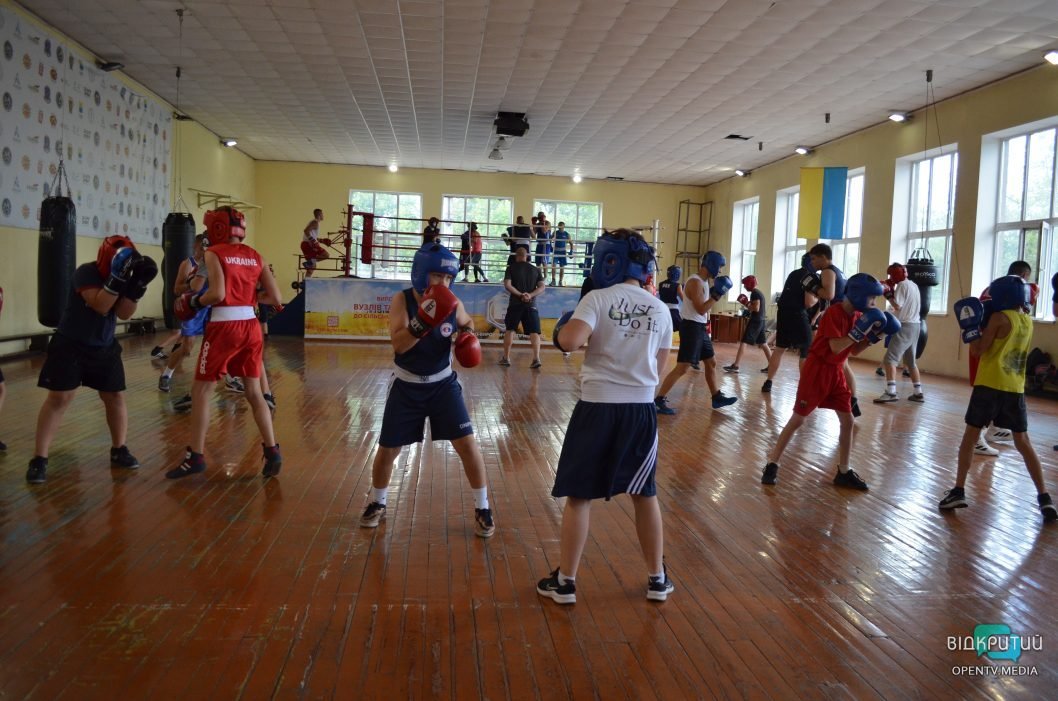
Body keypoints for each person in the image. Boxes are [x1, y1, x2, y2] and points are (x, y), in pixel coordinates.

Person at [537, 229, 674, 604]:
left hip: (597, 408)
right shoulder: (660, 308)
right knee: (644, 493)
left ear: (608, 261)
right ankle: (656, 579)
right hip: (640, 411)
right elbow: (660, 369)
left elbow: (569, 342)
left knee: (580, 496)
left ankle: (566, 582)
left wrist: (568, 323)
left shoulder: (597, 299)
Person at [358, 242, 495, 537]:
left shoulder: (453, 303)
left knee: (468, 446)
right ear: (422, 274)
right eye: (438, 277)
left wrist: (467, 335)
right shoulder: (402, 300)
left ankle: (483, 507)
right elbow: (400, 344)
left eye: (448, 278)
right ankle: (377, 502)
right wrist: (424, 321)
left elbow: (467, 321)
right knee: (388, 449)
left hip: (443, 385)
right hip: (406, 385)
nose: (444, 283)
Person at [26, 235, 158, 483]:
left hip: (104, 346)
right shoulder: (85, 272)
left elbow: (124, 313)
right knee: (59, 398)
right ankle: (39, 459)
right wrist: (118, 278)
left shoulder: (125, 276)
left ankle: (119, 450)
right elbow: (100, 305)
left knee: (115, 396)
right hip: (70, 344)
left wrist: (138, 284)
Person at [166, 206, 283, 479]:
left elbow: (216, 294)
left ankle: (195, 455)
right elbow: (276, 299)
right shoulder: (256, 256)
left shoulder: (214, 253)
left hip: (224, 326)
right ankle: (272, 450)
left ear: (218, 229)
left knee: (201, 391)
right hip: (251, 327)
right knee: (254, 392)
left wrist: (193, 301)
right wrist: (250, 300)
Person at [760, 274, 897, 490]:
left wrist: (876, 336)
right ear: (859, 295)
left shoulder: (858, 316)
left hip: (836, 373)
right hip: (817, 371)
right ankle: (772, 463)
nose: (874, 304)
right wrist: (860, 331)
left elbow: (853, 350)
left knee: (848, 421)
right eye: (872, 298)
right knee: (798, 420)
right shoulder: (834, 313)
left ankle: (843, 471)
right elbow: (835, 346)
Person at [941, 275, 1056, 523]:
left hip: (989, 385)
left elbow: (978, 350)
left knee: (970, 438)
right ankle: (1044, 497)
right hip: (1014, 388)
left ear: (1002, 296)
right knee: (1023, 442)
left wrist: (971, 329)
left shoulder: (997, 318)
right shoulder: (1027, 320)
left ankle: (958, 490)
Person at [653, 251, 737, 414]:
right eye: (719, 266)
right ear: (711, 264)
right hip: (691, 328)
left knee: (711, 362)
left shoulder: (704, 282)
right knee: (683, 368)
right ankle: (659, 399)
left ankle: (716, 397)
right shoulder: (695, 283)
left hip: (699, 327)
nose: (720, 271)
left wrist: (714, 293)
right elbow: (700, 309)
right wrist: (717, 294)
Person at [971, 261, 1038, 455]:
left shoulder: (992, 290)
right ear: (1023, 275)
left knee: (990, 396)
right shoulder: (1007, 299)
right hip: (987, 348)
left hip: (992, 347)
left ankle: (993, 429)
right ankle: (979, 437)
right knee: (985, 396)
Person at [799, 243, 862, 416]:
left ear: (823, 257)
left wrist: (813, 287)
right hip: (843, 316)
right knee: (843, 362)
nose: (812, 263)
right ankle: (852, 399)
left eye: (813, 258)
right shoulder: (837, 271)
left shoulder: (827, 271)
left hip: (839, 317)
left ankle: (843, 398)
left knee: (836, 361)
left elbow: (829, 295)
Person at [158, 233, 211, 395]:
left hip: (211, 306)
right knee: (187, 349)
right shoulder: (188, 264)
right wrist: (191, 282)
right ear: (195, 246)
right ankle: (166, 374)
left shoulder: (215, 261)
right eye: (201, 245)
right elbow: (176, 289)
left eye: (206, 246)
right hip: (194, 307)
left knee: (221, 345)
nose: (203, 248)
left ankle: (231, 377)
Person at [762, 254, 818, 393]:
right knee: (806, 349)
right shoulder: (810, 277)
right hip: (797, 314)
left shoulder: (793, 273)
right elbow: (808, 302)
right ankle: (806, 387)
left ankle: (768, 382)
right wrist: (818, 298)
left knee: (780, 349)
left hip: (783, 313)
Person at [874, 262, 924, 403]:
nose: (890, 277)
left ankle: (891, 392)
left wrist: (888, 295)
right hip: (916, 326)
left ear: (895, 275)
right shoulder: (913, 285)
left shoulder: (902, 286)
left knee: (890, 360)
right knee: (910, 361)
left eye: (891, 275)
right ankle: (918, 392)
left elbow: (897, 306)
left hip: (905, 325)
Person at [499, 247, 546, 369]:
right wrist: (530, 295)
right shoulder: (535, 269)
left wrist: (520, 295)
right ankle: (536, 358)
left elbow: (507, 285)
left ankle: (506, 358)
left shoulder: (511, 268)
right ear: (527, 256)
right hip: (531, 305)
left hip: (515, 304)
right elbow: (542, 287)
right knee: (534, 332)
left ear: (516, 256)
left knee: (510, 330)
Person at [724, 275, 772, 373]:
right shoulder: (758, 293)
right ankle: (772, 365)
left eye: (745, 285)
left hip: (756, 320)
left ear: (750, 284)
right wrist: (748, 304)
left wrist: (746, 304)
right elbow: (755, 306)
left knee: (744, 342)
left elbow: (756, 308)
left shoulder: (754, 293)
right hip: (761, 320)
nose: (745, 287)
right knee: (763, 343)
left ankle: (736, 365)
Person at [301, 208, 328, 278]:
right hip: (308, 244)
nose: (323, 215)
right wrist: (313, 241)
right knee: (326, 255)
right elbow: (306, 231)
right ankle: (310, 262)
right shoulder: (315, 222)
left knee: (312, 268)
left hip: (306, 244)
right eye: (322, 214)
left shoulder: (314, 222)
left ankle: (305, 283)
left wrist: (321, 240)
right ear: (319, 215)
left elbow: (311, 235)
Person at [657, 265, 683, 332]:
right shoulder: (677, 285)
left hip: (662, 310)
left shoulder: (661, 284)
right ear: (677, 274)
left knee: (664, 330)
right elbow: (683, 298)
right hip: (673, 312)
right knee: (680, 330)